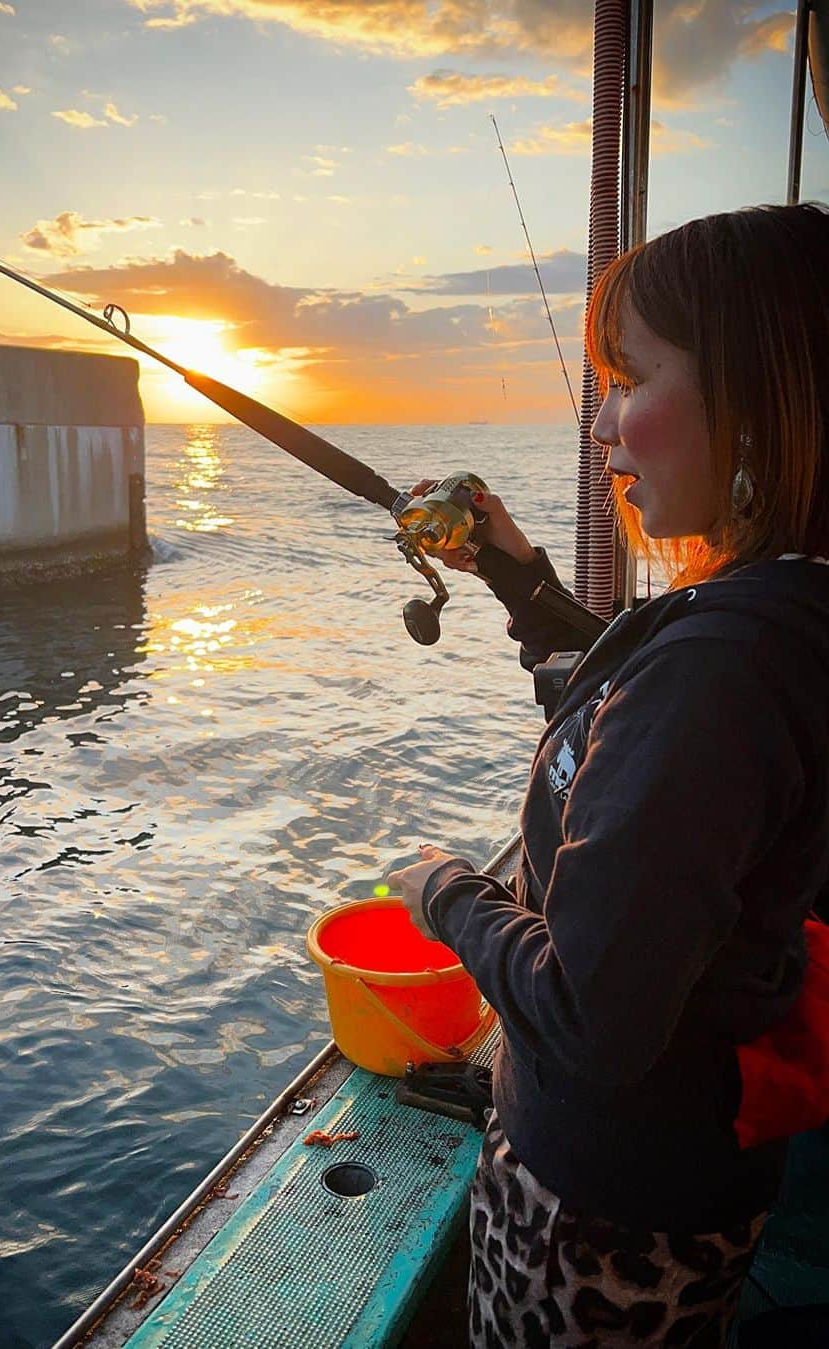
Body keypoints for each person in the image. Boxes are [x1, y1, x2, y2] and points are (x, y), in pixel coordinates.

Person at [387, 203, 829, 1348]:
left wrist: (445, 892)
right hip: (690, 1172)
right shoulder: (779, 612)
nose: (605, 426)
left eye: (632, 378)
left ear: (756, 395)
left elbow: (589, 1014)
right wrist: (506, 565)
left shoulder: (724, 667)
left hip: (599, 1213)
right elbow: (625, 696)